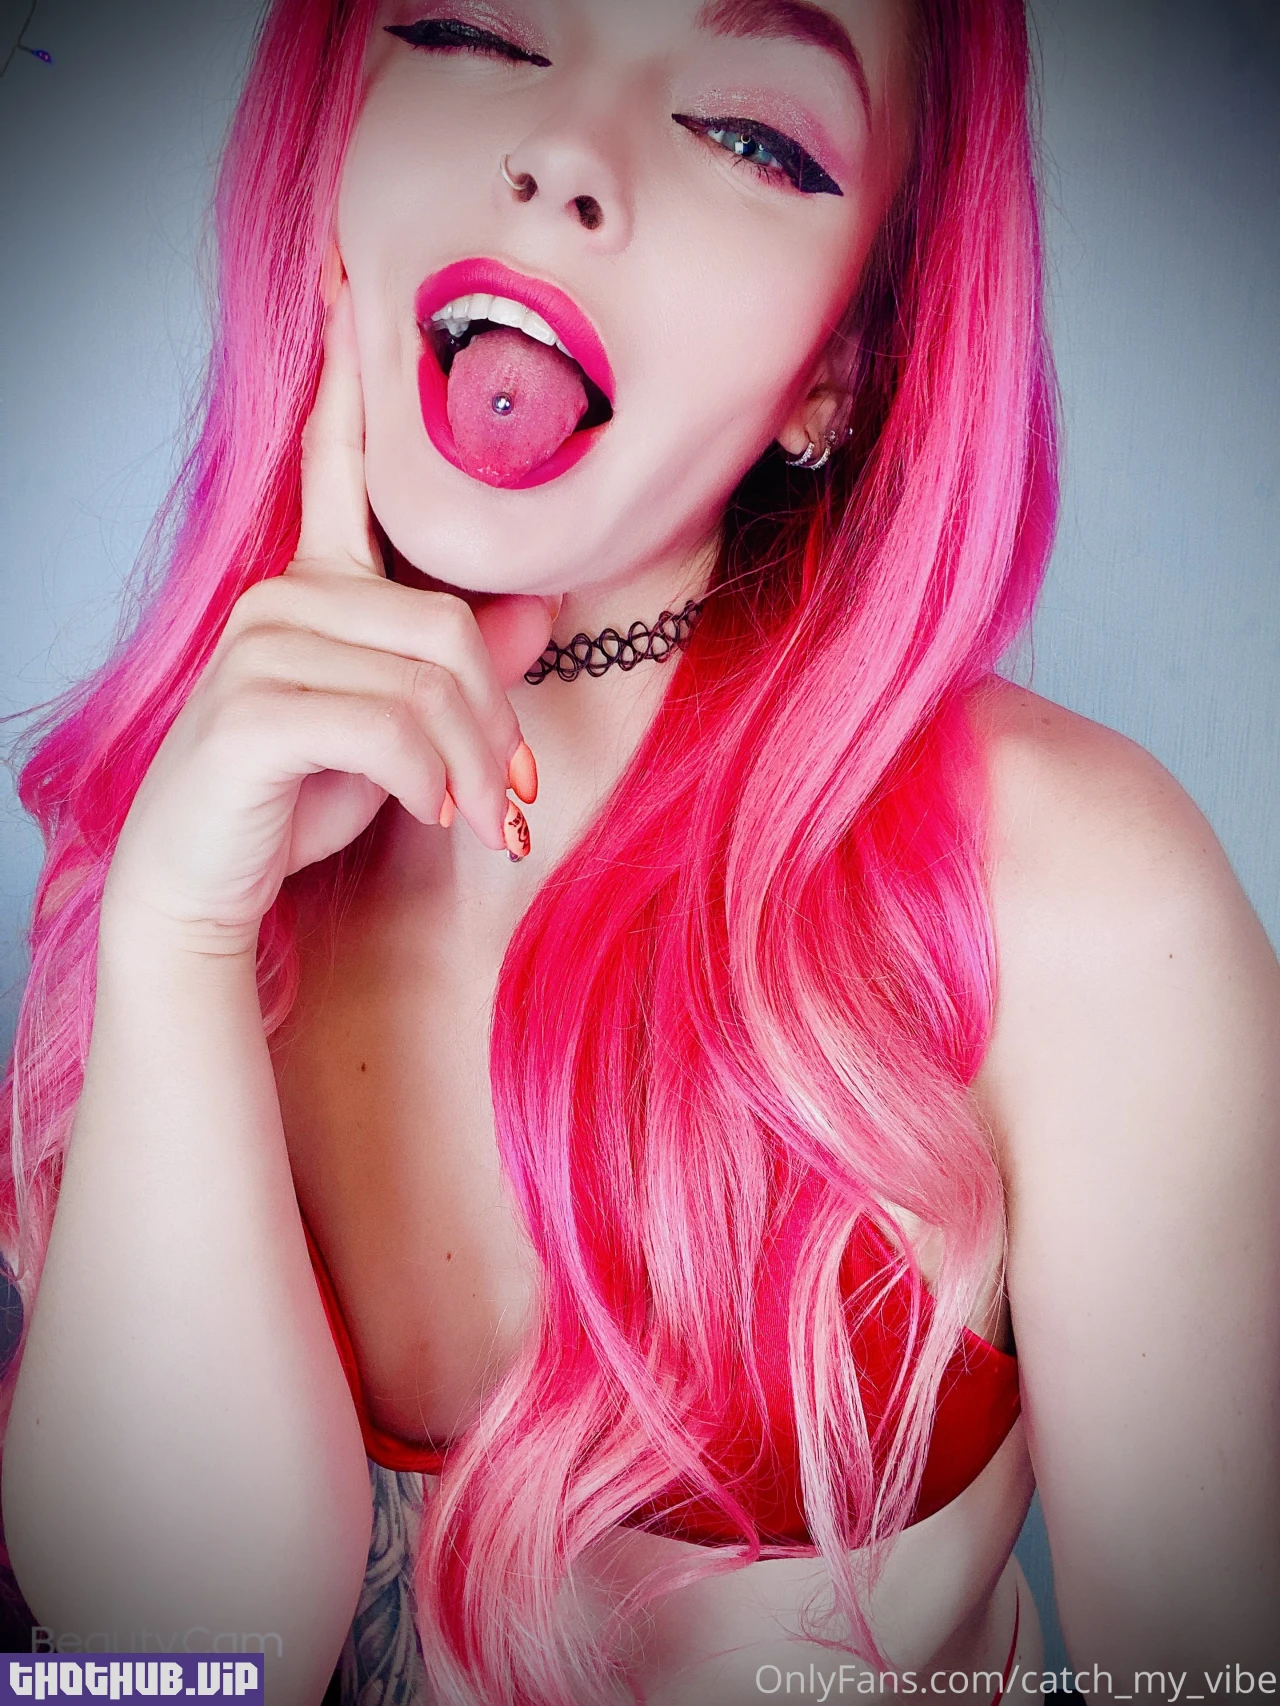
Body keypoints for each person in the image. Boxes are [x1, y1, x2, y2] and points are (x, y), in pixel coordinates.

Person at [1, 0, 1277, 1702]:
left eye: (749, 134)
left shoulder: (1083, 906)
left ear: (843, 360)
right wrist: (175, 938)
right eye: (471, 29)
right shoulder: (176, 829)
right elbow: (166, 1670)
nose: (564, 157)